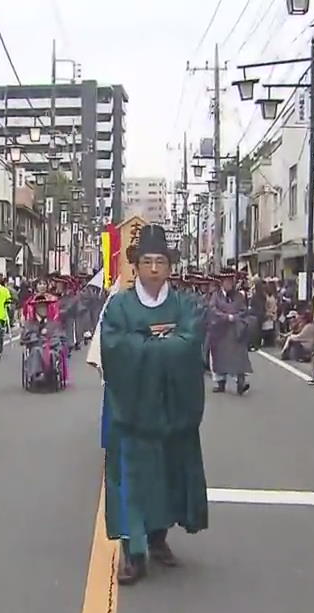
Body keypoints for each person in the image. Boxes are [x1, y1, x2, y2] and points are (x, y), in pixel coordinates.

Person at [100, 225, 209, 585]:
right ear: (136, 266)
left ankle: (159, 539)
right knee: (132, 480)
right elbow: (115, 348)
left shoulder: (185, 304)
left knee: (169, 475)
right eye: (146, 261)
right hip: (133, 410)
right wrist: (164, 345)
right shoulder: (119, 306)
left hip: (173, 409)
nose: (153, 269)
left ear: (169, 267)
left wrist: (145, 344)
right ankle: (133, 553)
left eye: (160, 261)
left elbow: (191, 344)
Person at [207, 269, 253, 395]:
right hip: (221, 331)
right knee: (219, 357)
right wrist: (225, 317)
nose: (229, 284)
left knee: (239, 357)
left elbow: (244, 310)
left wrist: (236, 317)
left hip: (236, 331)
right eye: (226, 281)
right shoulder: (216, 296)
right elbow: (212, 310)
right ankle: (221, 382)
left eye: (231, 281)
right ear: (222, 283)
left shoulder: (239, 296)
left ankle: (241, 383)